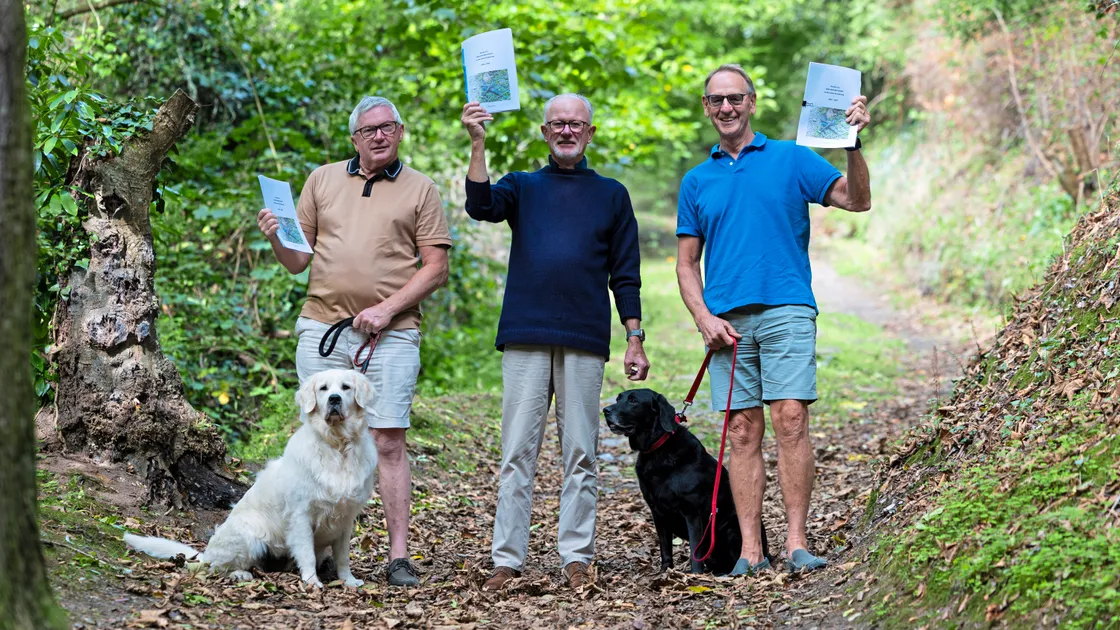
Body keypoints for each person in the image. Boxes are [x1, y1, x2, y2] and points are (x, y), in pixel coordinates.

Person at [675, 64, 871, 576]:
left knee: (790, 420)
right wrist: (702, 318)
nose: (726, 108)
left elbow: (857, 200)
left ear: (752, 102)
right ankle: (749, 551)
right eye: (716, 100)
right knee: (741, 432)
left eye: (735, 98)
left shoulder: (790, 157)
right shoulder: (697, 181)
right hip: (727, 323)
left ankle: (797, 543)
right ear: (706, 106)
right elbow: (685, 264)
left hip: (787, 308)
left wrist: (851, 144)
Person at [256, 95, 452, 587]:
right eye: (369, 130)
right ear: (354, 139)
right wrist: (276, 236)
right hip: (322, 330)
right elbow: (297, 261)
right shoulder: (321, 179)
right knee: (318, 435)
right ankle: (319, 553)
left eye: (388, 127)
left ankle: (398, 556)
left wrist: (387, 309)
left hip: (392, 335)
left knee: (386, 438)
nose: (379, 136)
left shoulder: (421, 189)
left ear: (401, 131)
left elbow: (436, 267)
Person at [460, 94, 650, 590]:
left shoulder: (612, 194)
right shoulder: (522, 187)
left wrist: (634, 337)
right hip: (526, 334)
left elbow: (625, 275)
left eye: (576, 125)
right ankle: (507, 559)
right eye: (558, 124)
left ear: (589, 134)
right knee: (516, 452)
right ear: (545, 133)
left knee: (581, 453)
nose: (567, 132)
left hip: (585, 337)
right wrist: (478, 143)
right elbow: (480, 206)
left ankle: (577, 556)